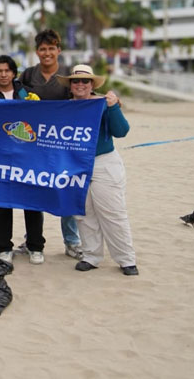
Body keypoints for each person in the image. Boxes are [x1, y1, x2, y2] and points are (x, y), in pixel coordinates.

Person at [57, 65, 138, 276]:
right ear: (70, 85)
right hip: (75, 164)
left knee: (113, 212)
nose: (80, 84)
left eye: (85, 81)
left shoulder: (103, 103)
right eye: (75, 81)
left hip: (103, 161)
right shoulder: (64, 107)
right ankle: (91, 256)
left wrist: (113, 107)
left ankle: (126, 259)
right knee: (83, 214)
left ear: (92, 84)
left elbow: (121, 131)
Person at [18, 29, 83, 260]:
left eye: (51, 48)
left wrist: (108, 101)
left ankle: (72, 242)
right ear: (37, 52)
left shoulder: (69, 74)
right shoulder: (28, 75)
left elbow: (85, 97)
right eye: (43, 49)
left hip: (62, 145)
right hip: (33, 146)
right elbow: (12, 98)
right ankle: (32, 239)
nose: (47, 53)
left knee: (65, 191)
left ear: (59, 50)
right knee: (34, 193)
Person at [0, 55, 46, 266]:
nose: (3, 74)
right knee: (2, 204)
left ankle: (35, 247)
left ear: (14, 73)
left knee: (32, 203)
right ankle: (3, 247)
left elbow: (42, 120)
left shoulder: (28, 95)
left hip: (28, 158)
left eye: (7, 70)